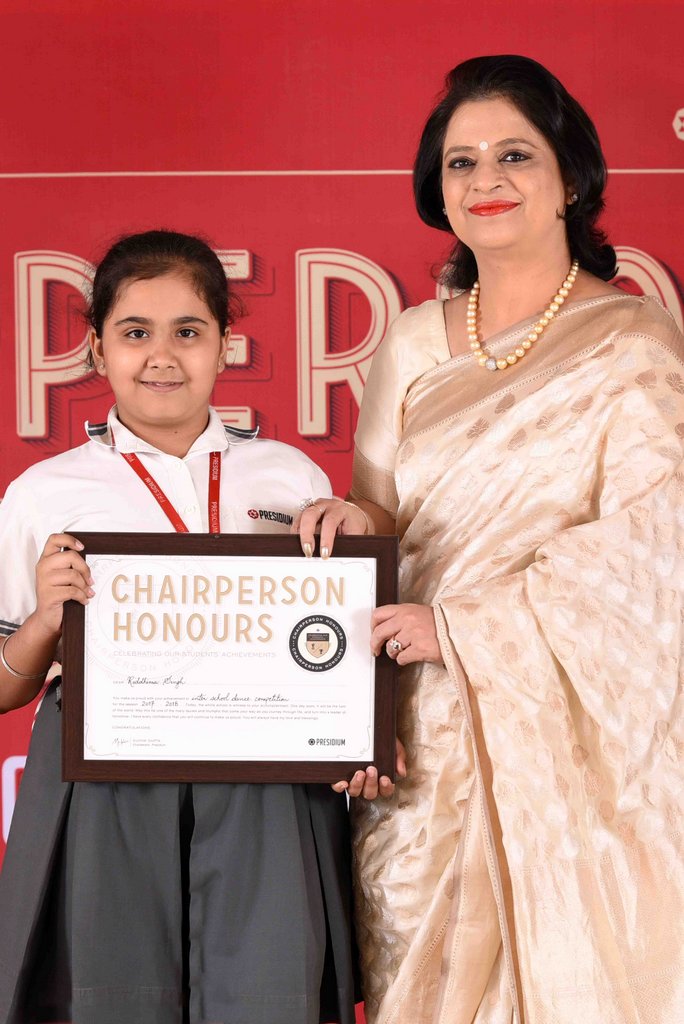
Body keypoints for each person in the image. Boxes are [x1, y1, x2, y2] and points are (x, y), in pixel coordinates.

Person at [298, 56, 684, 1022]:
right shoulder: (413, 342)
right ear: (439, 192)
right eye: (461, 163)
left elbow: (656, 552)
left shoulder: (634, 343)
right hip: (421, 748)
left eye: (515, 155)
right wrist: (348, 524)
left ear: (572, 179)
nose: (486, 181)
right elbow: (384, 517)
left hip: (570, 748)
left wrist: (469, 626)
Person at [0, 229, 362, 1024]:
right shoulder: (43, 492)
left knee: (268, 993)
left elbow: (332, 646)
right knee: (113, 995)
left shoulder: (290, 477)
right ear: (97, 349)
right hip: (104, 773)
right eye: (135, 332)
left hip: (267, 774)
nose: (161, 356)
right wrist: (44, 623)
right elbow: (2, 684)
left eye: (188, 331)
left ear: (225, 345)